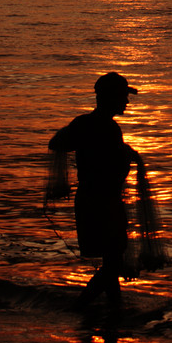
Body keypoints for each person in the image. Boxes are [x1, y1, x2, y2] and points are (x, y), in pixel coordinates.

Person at [48, 72, 140, 309]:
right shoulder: (108, 129)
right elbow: (113, 168)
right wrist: (125, 156)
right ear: (110, 98)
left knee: (111, 259)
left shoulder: (84, 124)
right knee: (115, 262)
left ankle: (114, 310)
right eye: (122, 97)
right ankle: (81, 306)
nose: (126, 102)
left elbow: (57, 144)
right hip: (104, 203)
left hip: (88, 200)